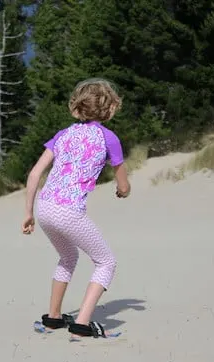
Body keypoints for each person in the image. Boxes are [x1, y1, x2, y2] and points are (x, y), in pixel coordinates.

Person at [22, 78, 131, 339]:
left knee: (68, 257)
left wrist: (28, 213)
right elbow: (124, 186)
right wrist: (121, 191)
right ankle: (82, 325)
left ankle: (53, 319)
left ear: (77, 107)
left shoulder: (63, 134)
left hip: (45, 207)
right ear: (111, 109)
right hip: (69, 211)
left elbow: (35, 173)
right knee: (106, 262)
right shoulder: (109, 138)